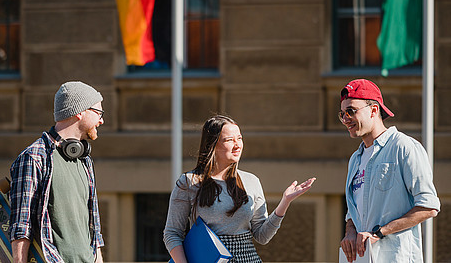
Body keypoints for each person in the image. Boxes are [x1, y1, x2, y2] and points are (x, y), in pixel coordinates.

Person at [163, 114, 316, 263]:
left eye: (240, 138)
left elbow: (262, 236)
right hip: (210, 258)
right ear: (213, 145)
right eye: (230, 140)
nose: (237, 145)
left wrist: (285, 201)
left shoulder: (251, 181)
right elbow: (172, 233)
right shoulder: (189, 182)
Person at [339, 79, 440, 263]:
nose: (346, 119)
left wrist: (379, 233)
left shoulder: (404, 147)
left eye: (351, 111)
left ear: (374, 110)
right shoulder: (355, 159)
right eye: (342, 113)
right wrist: (350, 233)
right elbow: (353, 215)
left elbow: (429, 206)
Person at [9, 81, 105, 263]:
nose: (101, 120)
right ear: (80, 112)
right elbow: (22, 225)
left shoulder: (85, 160)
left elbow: (94, 227)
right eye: (98, 113)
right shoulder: (35, 157)